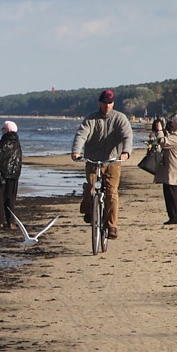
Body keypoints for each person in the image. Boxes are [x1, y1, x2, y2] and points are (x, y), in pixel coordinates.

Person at [71, 90, 133, 240]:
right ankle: (88, 210)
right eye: (105, 102)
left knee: (112, 192)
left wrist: (125, 152)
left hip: (113, 161)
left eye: (110, 103)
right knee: (91, 187)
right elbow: (81, 135)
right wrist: (76, 152)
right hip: (93, 161)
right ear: (99, 103)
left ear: (113, 103)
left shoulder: (120, 118)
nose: (107, 106)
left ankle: (112, 226)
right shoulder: (90, 119)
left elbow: (127, 135)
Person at [154, 113, 177, 225]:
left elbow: (163, 142)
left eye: (173, 122)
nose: (172, 124)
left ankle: (175, 217)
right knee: (174, 192)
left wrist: (159, 131)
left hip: (174, 167)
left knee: (171, 193)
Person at [0, 120, 22, 230]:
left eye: (2, 129)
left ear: (6, 130)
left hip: (2, 174)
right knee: (11, 199)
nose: (1, 131)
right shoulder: (17, 142)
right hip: (14, 174)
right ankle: (11, 222)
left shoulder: (2, 142)